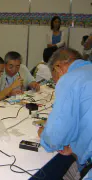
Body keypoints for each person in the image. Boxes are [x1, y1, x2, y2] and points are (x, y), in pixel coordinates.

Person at [37, 48, 92, 179]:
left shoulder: (70, 79)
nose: (56, 82)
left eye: (54, 76)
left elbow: (54, 138)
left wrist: (43, 135)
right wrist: (74, 146)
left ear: (58, 67)